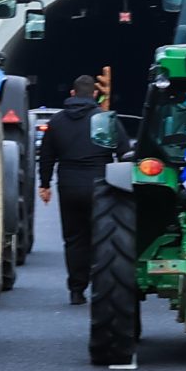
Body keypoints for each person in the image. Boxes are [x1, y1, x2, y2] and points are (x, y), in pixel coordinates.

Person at [38, 75, 121, 304]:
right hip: (101, 186)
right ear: (94, 94)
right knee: (103, 237)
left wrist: (45, 184)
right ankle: (102, 286)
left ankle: (76, 290)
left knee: (74, 239)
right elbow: (124, 151)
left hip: (69, 186)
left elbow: (46, 156)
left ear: (72, 94)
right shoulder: (104, 119)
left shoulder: (57, 121)